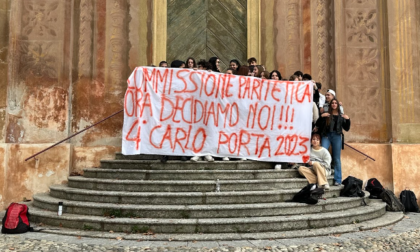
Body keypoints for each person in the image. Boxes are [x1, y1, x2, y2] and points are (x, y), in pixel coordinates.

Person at [315, 98, 350, 185]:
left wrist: (348, 120)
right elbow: (318, 124)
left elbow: (347, 128)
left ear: (338, 105)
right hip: (326, 136)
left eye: (335, 103)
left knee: (336, 158)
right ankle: (322, 176)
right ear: (330, 105)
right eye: (332, 103)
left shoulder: (341, 116)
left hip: (337, 136)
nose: (334, 104)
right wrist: (321, 117)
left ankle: (338, 180)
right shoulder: (326, 115)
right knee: (322, 155)